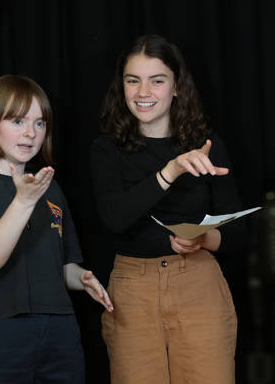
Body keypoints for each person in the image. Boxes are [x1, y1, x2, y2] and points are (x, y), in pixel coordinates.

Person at [0, 74, 113, 384]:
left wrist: (82, 279)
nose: (30, 133)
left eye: (39, 123)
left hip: (59, 331)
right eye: (18, 121)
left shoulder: (51, 188)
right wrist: (22, 202)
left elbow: (62, 266)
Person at [90, 34, 243, 384]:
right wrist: (171, 171)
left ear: (176, 86)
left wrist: (203, 240)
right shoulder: (106, 149)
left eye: (156, 80)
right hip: (133, 289)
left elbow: (238, 232)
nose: (144, 92)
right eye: (133, 80)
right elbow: (115, 218)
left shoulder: (206, 144)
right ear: (122, 86)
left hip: (198, 282)